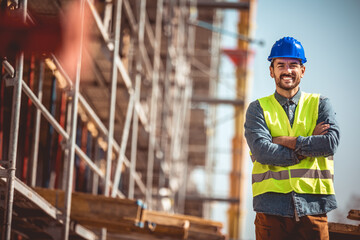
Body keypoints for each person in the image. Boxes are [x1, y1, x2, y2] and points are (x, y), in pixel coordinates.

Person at [244, 36, 340, 240]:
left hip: (313, 207)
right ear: (272, 71)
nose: (287, 71)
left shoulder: (321, 104)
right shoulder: (257, 109)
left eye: (293, 65)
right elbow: (262, 151)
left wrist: (284, 140)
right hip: (271, 209)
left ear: (302, 70)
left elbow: (330, 143)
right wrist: (308, 145)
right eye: (281, 65)